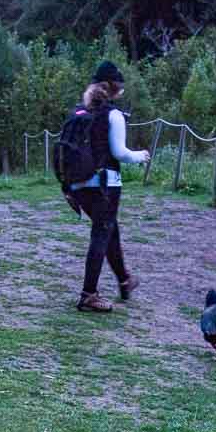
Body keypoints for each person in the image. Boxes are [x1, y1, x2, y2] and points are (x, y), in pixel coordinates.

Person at [72, 60, 150, 313]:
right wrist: (140, 155)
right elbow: (120, 152)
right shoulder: (113, 115)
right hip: (105, 185)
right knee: (101, 234)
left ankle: (124, 281)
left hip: (79, 185)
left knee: (108, 230)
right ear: (115, 87)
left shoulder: (79, 113)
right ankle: (89, 294)